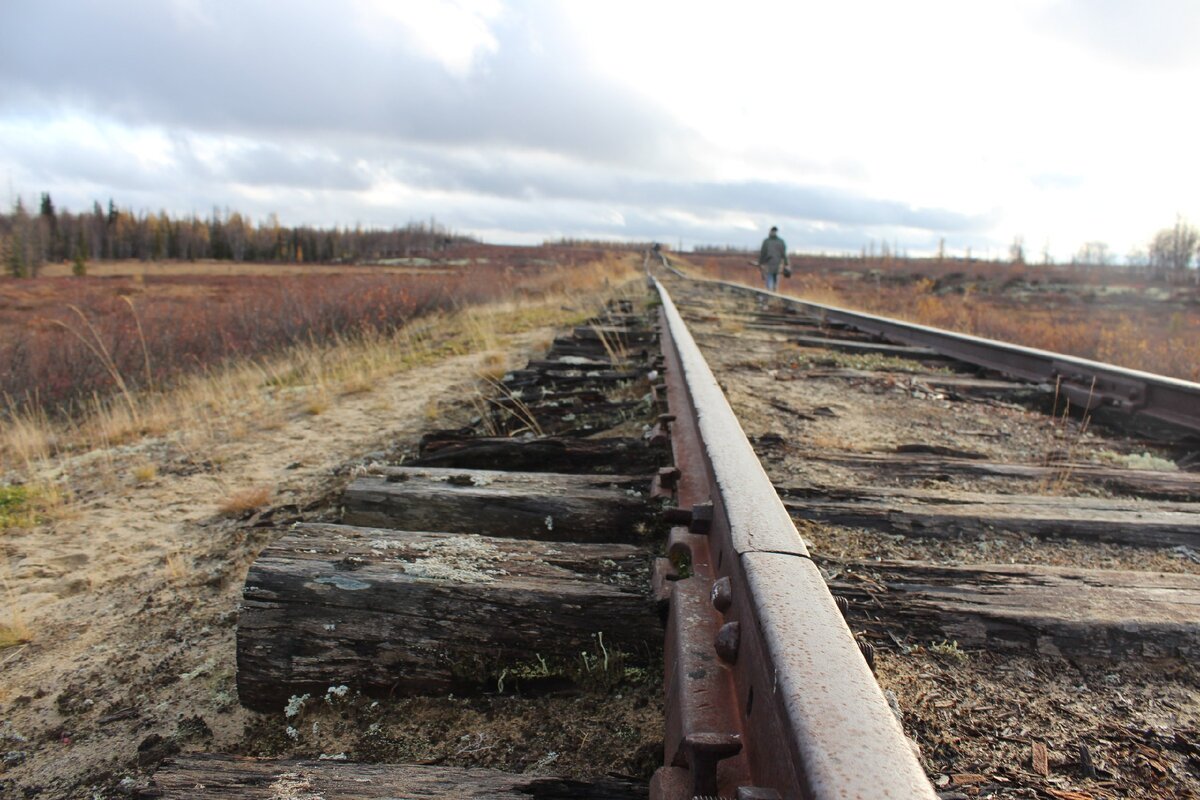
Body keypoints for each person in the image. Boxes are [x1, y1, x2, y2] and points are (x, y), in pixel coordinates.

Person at [756, 226, 790, 292]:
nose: (773, 232)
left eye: (774, 231)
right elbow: (763, 253)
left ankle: (771, 292)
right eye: (773, 231)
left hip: (774, 264)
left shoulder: (774, 241)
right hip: (771, 263)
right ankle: (772, 292)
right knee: (772, 278)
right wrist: (761, 263)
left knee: (772, 279)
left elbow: (783, 254)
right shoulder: (769, 241)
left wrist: (786, 264)